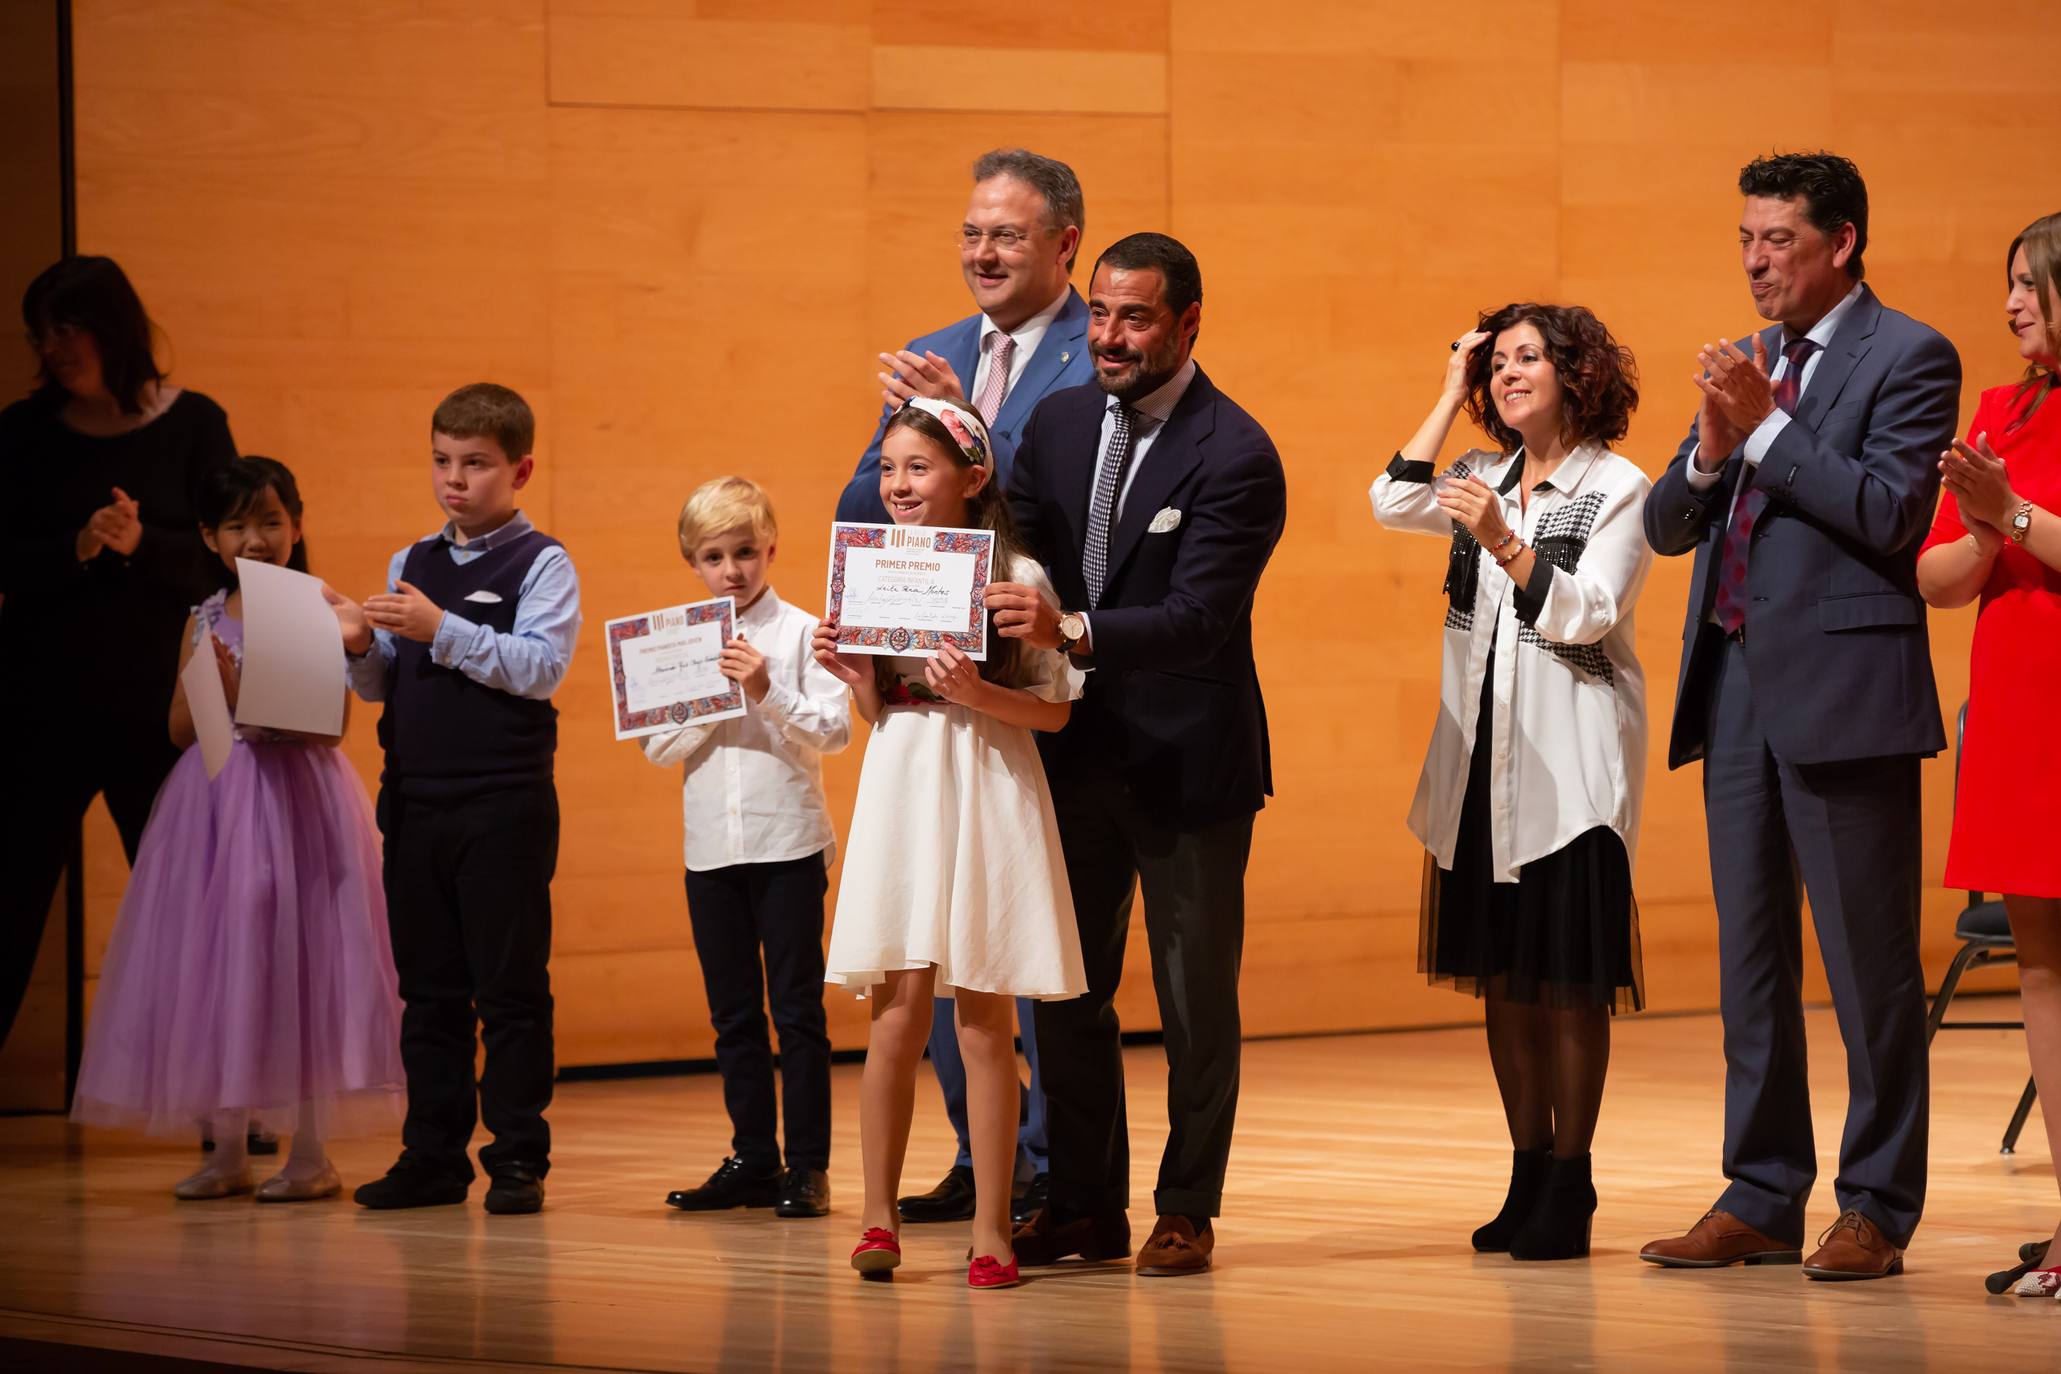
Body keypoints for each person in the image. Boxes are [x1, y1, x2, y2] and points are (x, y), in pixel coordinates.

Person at [1638, 152, 1960, 1281]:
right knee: (1752, 963)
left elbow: (1889, 512)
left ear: (1843, 242)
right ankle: (1764, 1190)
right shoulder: (1755, 361)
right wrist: (1717, 443)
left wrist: (1767, 432)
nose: (1756, 260)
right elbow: (1671, 526)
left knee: (1870, 967)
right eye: (1745, 239)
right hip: (1734, 689)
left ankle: (1877, 1201)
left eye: (1777, 239)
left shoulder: (1911, 355)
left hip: (1847, 694)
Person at [997, 232, 1287, 1278]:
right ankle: (1082, 1205)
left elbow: (1200, 617)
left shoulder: (1237, 452)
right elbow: (1012, 537)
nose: (1108, 337)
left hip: (1187, 767)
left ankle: (1186, 1208)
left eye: (1134, 318)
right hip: (1070, 751)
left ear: (1188, 323)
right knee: (1066, 989)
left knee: (1193, 995)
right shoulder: (1060, 421)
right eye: (1100, 316)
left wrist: (1068, 628)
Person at [834, 147, 1094, 1226]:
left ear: (1063, 245)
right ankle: (963, 1160)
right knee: (916, 942)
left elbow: (1065, 505)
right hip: (915, 703)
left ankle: (1037, 1167)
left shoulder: (1093, 354)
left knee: (1004, 941)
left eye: (1008, 235)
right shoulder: (933, 352)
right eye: (971, 233)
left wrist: (972, 429)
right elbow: (872, 493)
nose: (983, 253)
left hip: (1030, 658)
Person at [1369, 303, 1652, 1260]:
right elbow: (1386, 496)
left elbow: (1584, 613)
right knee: (1503, 982)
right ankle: (1525, 1172)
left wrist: (1501, 537)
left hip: (1567, 773)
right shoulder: (1477, 473)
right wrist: (1447, 391)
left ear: (1576, 373)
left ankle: (1570, 1186)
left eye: (1527, 358)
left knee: (1566, 985)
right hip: (1478, 762)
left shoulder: (1618, 485)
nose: (1507, 375)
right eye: (1496, 364)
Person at [69, 457, 404, 1200]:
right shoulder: (205, 614)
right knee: (222, 959)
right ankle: (226, 1150)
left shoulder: (315, 606)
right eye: (237, 525)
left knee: (306, 959)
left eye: (270, 521)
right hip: (218, 801)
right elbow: (182, 730)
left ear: (297, 525)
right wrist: (216, 687)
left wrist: (250, 689)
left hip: (297, 797)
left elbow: (327, 728)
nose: (255, 538)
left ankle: (311, 1154)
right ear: (210, 537)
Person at [815, 397, 1087, 1291]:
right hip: (902, 782)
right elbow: (878, 709)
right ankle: (876, 1218)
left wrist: (976, 694)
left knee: (982, 1020)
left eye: (918, 468)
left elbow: (1052, 710)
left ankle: (990, 1229)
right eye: (889, 468)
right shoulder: (873, 568)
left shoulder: (1018, 576)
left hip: (988, 782)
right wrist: (859, 677)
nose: (897, 484)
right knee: (893, 1015)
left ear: (972, 480)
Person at [328, 383, 581, 1217]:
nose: (454, 480)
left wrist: (439, 626)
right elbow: (381, 689)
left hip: (502, 803)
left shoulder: (541, 561)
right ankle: (431, 1156)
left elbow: (541, 667)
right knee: (428, 991)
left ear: (520, 469)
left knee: (508, 988)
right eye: (442, 461)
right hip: (415, 799)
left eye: (475, 464)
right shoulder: (411, 561)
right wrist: (361, 646)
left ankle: (516, 1158)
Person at [0, 255, 237, 1053]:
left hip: (162, 710)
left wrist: (142, 543)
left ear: (112, 328)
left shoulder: (196, 422)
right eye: (42, 334)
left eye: (67, 329)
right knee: (9, 897)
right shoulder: (22, 432)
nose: (53, 348)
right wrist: (73, 546)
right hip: (40, 706)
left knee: (187, 900)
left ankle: (224, 1101)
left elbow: (231, 559)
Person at [1913, 211, 2061, 1297]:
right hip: (2014, 709)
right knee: (2044, 973)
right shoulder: (2001, 407)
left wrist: (2003, 508)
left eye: (2031, 283)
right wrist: (1982, 523)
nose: (2011, 302)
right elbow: (1940, 576)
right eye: (2008, 282)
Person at [643, 477, 850, 1221]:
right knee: (732, 1015)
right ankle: (753, 1158)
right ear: (691, 561)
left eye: (743, 552)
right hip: (710, 852)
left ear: (769, 549)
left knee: (796, 1013)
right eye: (712, 556)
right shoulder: (674, 642)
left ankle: (808, 1167)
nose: (730, 569)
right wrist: (707, 699)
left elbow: (834, 729)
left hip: (787, 843)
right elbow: (658, 750)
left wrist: (763, 689)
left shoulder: (800, 631)